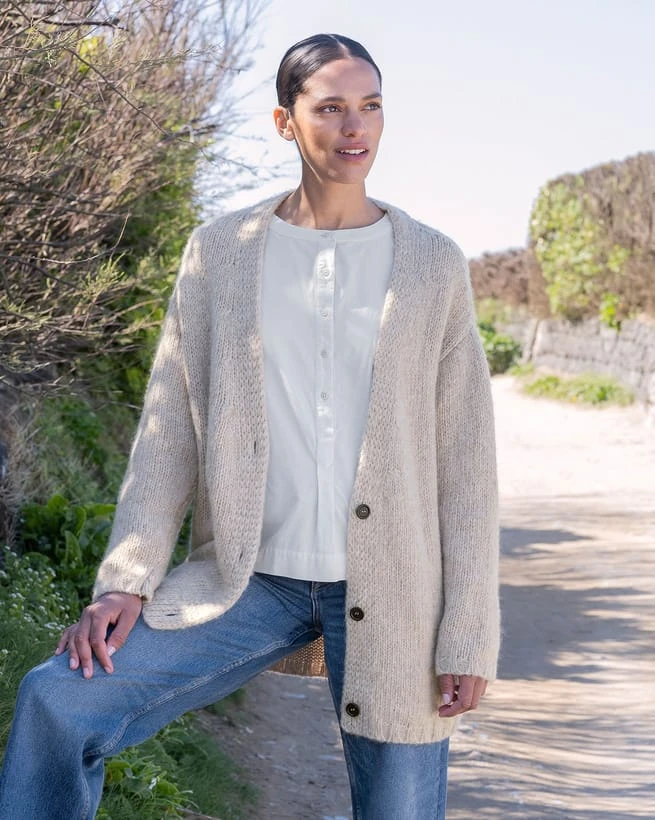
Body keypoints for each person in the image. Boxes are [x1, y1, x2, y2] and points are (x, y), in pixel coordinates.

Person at [0, 33, 500, 820]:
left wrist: (468, 631)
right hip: (250, 581)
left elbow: (465, 461)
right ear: (283, 122)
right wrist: (127, 579)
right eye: (329, 108)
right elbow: (170, 429)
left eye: (369, 106)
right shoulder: (220, 253)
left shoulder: (431, 263)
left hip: (397, 589)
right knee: (58, 699)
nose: (354, 127)